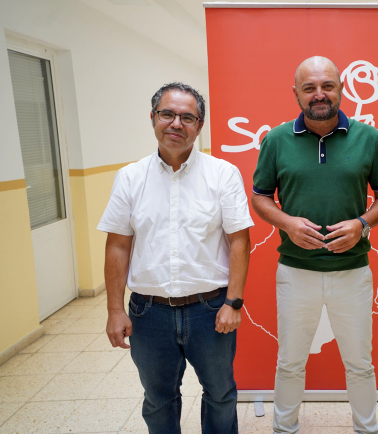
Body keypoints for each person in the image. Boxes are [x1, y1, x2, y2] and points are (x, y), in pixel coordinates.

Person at [251, 56, 378, 434]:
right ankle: (285, 429)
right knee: (290, 362)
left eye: (327, 86)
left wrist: (362, 224)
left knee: (360, 363)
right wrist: (287, 223)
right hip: (295, 272)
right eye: (310, 87)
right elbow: (260, 197)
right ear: (296, 93)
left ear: (341, 89)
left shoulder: (369, 138)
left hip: (352, 272)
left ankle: (367, 429)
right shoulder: (276, 140)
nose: (319, 94)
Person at [98, 82, 253, 434]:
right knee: (158, 399)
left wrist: (233, 303)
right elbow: (117, 245)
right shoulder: (130, 178)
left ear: (200, 125)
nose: (176, 123)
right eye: (167, 114)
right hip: (148, 313)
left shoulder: (222, 174)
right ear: (153, 118)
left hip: (210, 311)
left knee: (220, 394)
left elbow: (239, 241)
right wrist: (114, 309)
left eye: (187, 117)